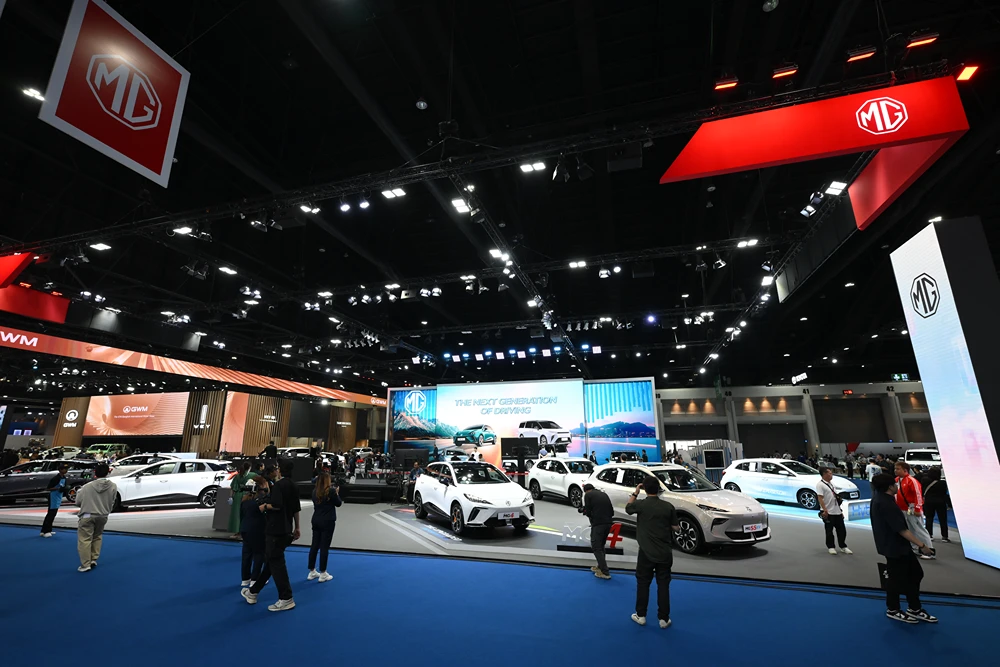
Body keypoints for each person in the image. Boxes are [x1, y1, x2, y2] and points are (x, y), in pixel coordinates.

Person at [869, 473, 937, 624]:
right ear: (890, 486)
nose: (897, 486)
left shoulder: (880, 499)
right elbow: (901, 530)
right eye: (895, 484)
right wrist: (922, 546)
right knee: (897, 579)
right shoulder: (886, 503)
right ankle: (893, 609)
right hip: (895, 547)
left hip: (895, 546)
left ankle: (914, 607)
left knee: (914, 574)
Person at [242, 460, 301, 612]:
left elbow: (276, 505)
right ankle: (253, 592)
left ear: (280, 470)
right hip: (286, 529)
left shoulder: (279, 486)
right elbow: (296, 508)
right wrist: (297, 527)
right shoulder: (294, 486)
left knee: (277, 564)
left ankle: (286, 598)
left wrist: (264, 506)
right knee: (271, 563)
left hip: (275, 530)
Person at [625, 477, 679, 629]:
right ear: (659, 488)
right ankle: (664, 619)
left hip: (646, 553)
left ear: (645, 489)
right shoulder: (668, 506)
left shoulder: (641, 505)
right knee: (663, 585)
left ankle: (641, 615)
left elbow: (628, 508)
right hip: (664, 553)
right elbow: (676, 528)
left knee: (643, 583)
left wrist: (635, 493)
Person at [75, 463, 117, 572]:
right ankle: (93, 559)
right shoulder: (113, 486)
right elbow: (113, 501)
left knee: (85, 539)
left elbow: (78, 502)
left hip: (87, 515)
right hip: (103, 515)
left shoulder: (87, 487)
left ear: (95, 472)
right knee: (97, 536)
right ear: (108, 472)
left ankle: (85, 564)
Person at [307, 471, 342, 583]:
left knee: (314, 545)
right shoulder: (331, 491)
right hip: (327, 521)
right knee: (324, 547)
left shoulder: (314, 491)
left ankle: (312, 571)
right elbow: (338, 503)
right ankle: (323, 573)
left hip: (316, 519)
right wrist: (337, 493)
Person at [894, 461, 933, 559]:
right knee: (909, 530)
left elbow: (918, 495)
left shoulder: (911, 480)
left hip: (912, 508)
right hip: (902, 509)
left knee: (919, 530)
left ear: (905, 470)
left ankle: (930, 551)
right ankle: (915, 548)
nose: (895, 470)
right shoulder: (897, 480)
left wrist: (918, 508)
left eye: (898, 469)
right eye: (895, 469)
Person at [580, 482, 614, 579]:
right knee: (601, 546)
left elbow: (588, 511)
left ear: (586, 491)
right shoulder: (603, 494)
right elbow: (611, 510)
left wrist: (586, 512)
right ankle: (600, 566)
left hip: (598, 524)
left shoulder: (588, 495)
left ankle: (605, 572)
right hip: (608, 523)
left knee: (596, 547)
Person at [816, 466, 851, 555]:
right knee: (829, 531)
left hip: (836, 511)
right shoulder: (820, 485)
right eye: (830, 473)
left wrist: (840, 511)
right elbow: (820, 498)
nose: (831, 475)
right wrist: (824, 510)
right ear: (824, 474)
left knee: (842, 530)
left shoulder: (831, 484)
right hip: (828, 511)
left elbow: (835, 498)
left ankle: (843, 546)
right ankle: (831, 547)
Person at [240, 477, 268, 587]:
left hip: (245, 529)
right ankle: (255, 579)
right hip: (257, 530)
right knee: (259, 554)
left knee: (246, 554)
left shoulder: (245, 501)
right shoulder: (260, 502)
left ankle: (245, 578)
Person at [228, 462, 258, 537]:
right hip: (248, 495)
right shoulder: (253, 475)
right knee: (246, 514)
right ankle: (246, 531)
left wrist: (231, 497)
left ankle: (237, 531)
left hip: (237, 496)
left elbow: (233, 488)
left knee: (237, 514)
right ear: (250, 467)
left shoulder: (237, 476)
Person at [920, 467, 949, 543]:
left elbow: (922, 491)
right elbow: (944, 493)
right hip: (940, 502)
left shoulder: (924, 481)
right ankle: (944, 536)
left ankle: (929, 535)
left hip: (928, 502)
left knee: (929, 518)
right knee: (943, 519)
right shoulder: (943, 483)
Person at [40, 464, 69, 537]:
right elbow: (48, 488)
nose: (66, 470)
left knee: (53, 514)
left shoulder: (64, 478)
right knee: (50, 514)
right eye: (64, 469)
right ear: (60, 470)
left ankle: (47, 529)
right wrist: (58, 488)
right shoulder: (55, 478)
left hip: (58, 496)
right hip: (53, 497)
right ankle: (46, 531)